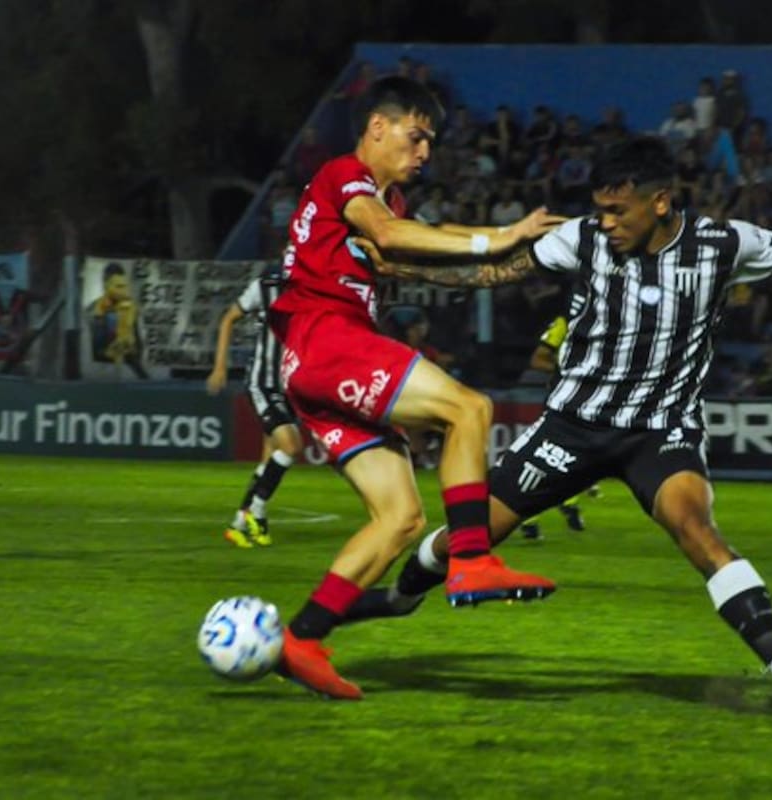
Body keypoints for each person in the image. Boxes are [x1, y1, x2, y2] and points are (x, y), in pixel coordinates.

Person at [350, 136, 772, 719]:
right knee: (471, 535)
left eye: (619, 210)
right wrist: (405, 269)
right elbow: (497, 273)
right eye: (600, 209)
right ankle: (401, 599)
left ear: (660, 201)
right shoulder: (582, 238)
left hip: (660, 432)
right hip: (573, 426)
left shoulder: (722, 244)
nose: (606, 222)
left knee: (697, 530)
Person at [267, 76, 564, 699]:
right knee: (469, 408)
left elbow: (434, 244)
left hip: (308, 363)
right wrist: (499, 236)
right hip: (327, 337)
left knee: (400, 519)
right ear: (377, 126)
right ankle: (472, 559)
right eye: (417, 135)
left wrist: (521, 254)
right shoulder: (344, 176)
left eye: (430, 141)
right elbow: (390, 235)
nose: (425, 151)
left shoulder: (389, 204)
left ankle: (302, 640)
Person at [206, 263, 303, 548]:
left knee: (269, 457)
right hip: (264, 383)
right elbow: (229, 318)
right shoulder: (265, 286)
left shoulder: (314, 291)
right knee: (291, 446)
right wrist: (220, 366)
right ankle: (257, 511)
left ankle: (238, 524)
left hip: (289, 387)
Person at [517, 314, 595, 540]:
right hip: (561, 402)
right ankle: (531, 516)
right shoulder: (565, 322)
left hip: (587, 402)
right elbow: (538, 359)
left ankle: (566, 504)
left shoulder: (609, 320)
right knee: (544, 456)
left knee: (571, 457)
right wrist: (566, 370)